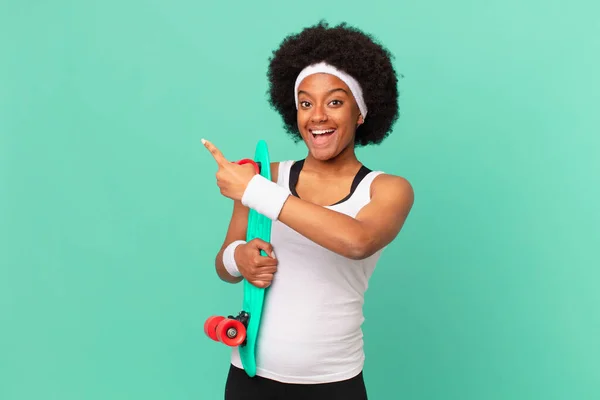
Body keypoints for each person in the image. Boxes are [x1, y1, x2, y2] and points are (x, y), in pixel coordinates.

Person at [202, 20, 414, 400]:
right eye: (305, 103)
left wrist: (254, 191)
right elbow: (225, 265)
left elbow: (356, 241)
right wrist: (240, 258)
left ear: (361, 112)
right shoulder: (265, 176)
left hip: (334, 383)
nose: (317, 116)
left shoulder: (388, 189)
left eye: (334, 101)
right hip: (249, 377)